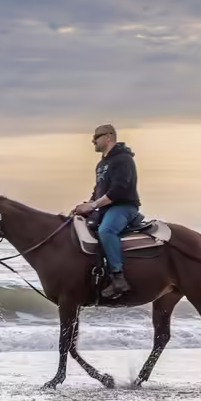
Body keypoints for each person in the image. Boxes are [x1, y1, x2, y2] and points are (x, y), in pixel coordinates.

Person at [72, 124, 141, 299]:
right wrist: (86, 205)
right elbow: (98, 191)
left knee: (106, 230)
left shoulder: (123, 159)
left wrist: (93, 206)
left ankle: (118, 278)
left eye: (96, 136)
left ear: (108, 137)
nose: (92, 140)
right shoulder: (102, 163)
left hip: (124, 207)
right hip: (105, 207)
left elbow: (118, 190)